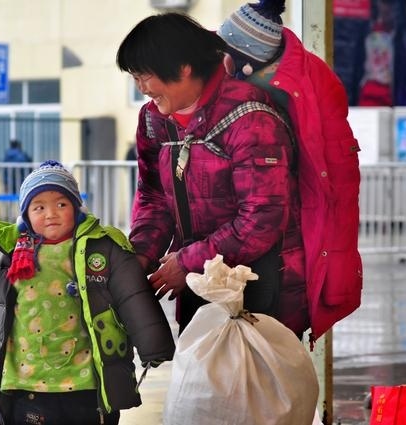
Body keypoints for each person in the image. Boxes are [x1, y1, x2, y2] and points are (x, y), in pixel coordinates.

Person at [116, 12, 306, 336]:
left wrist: (189, 262)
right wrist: (140, 256)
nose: (142, 88)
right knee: (203, 382)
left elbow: (262, 218)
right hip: (197, 282)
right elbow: (154, 198)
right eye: (134, 77)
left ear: (182, 67)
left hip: (258, 284)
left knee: (250, 384)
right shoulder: (154, 120)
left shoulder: (251, 119)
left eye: (145, 75)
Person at [0, 160, 175, 425]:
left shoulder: (102, 250)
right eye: (39, 207)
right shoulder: (15, 257)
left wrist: (154, 345)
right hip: (25, 385)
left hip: (87, 386)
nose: (51, 213)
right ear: (25, 216)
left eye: (61, 204)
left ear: (76, 210)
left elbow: (132, 297)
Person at [218, 0, 362, 341]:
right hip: (251, 226)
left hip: (284, 238)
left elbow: (332, 187)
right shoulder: (259, 72)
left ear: (245, 63)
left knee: (273, 351)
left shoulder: (307, 85)